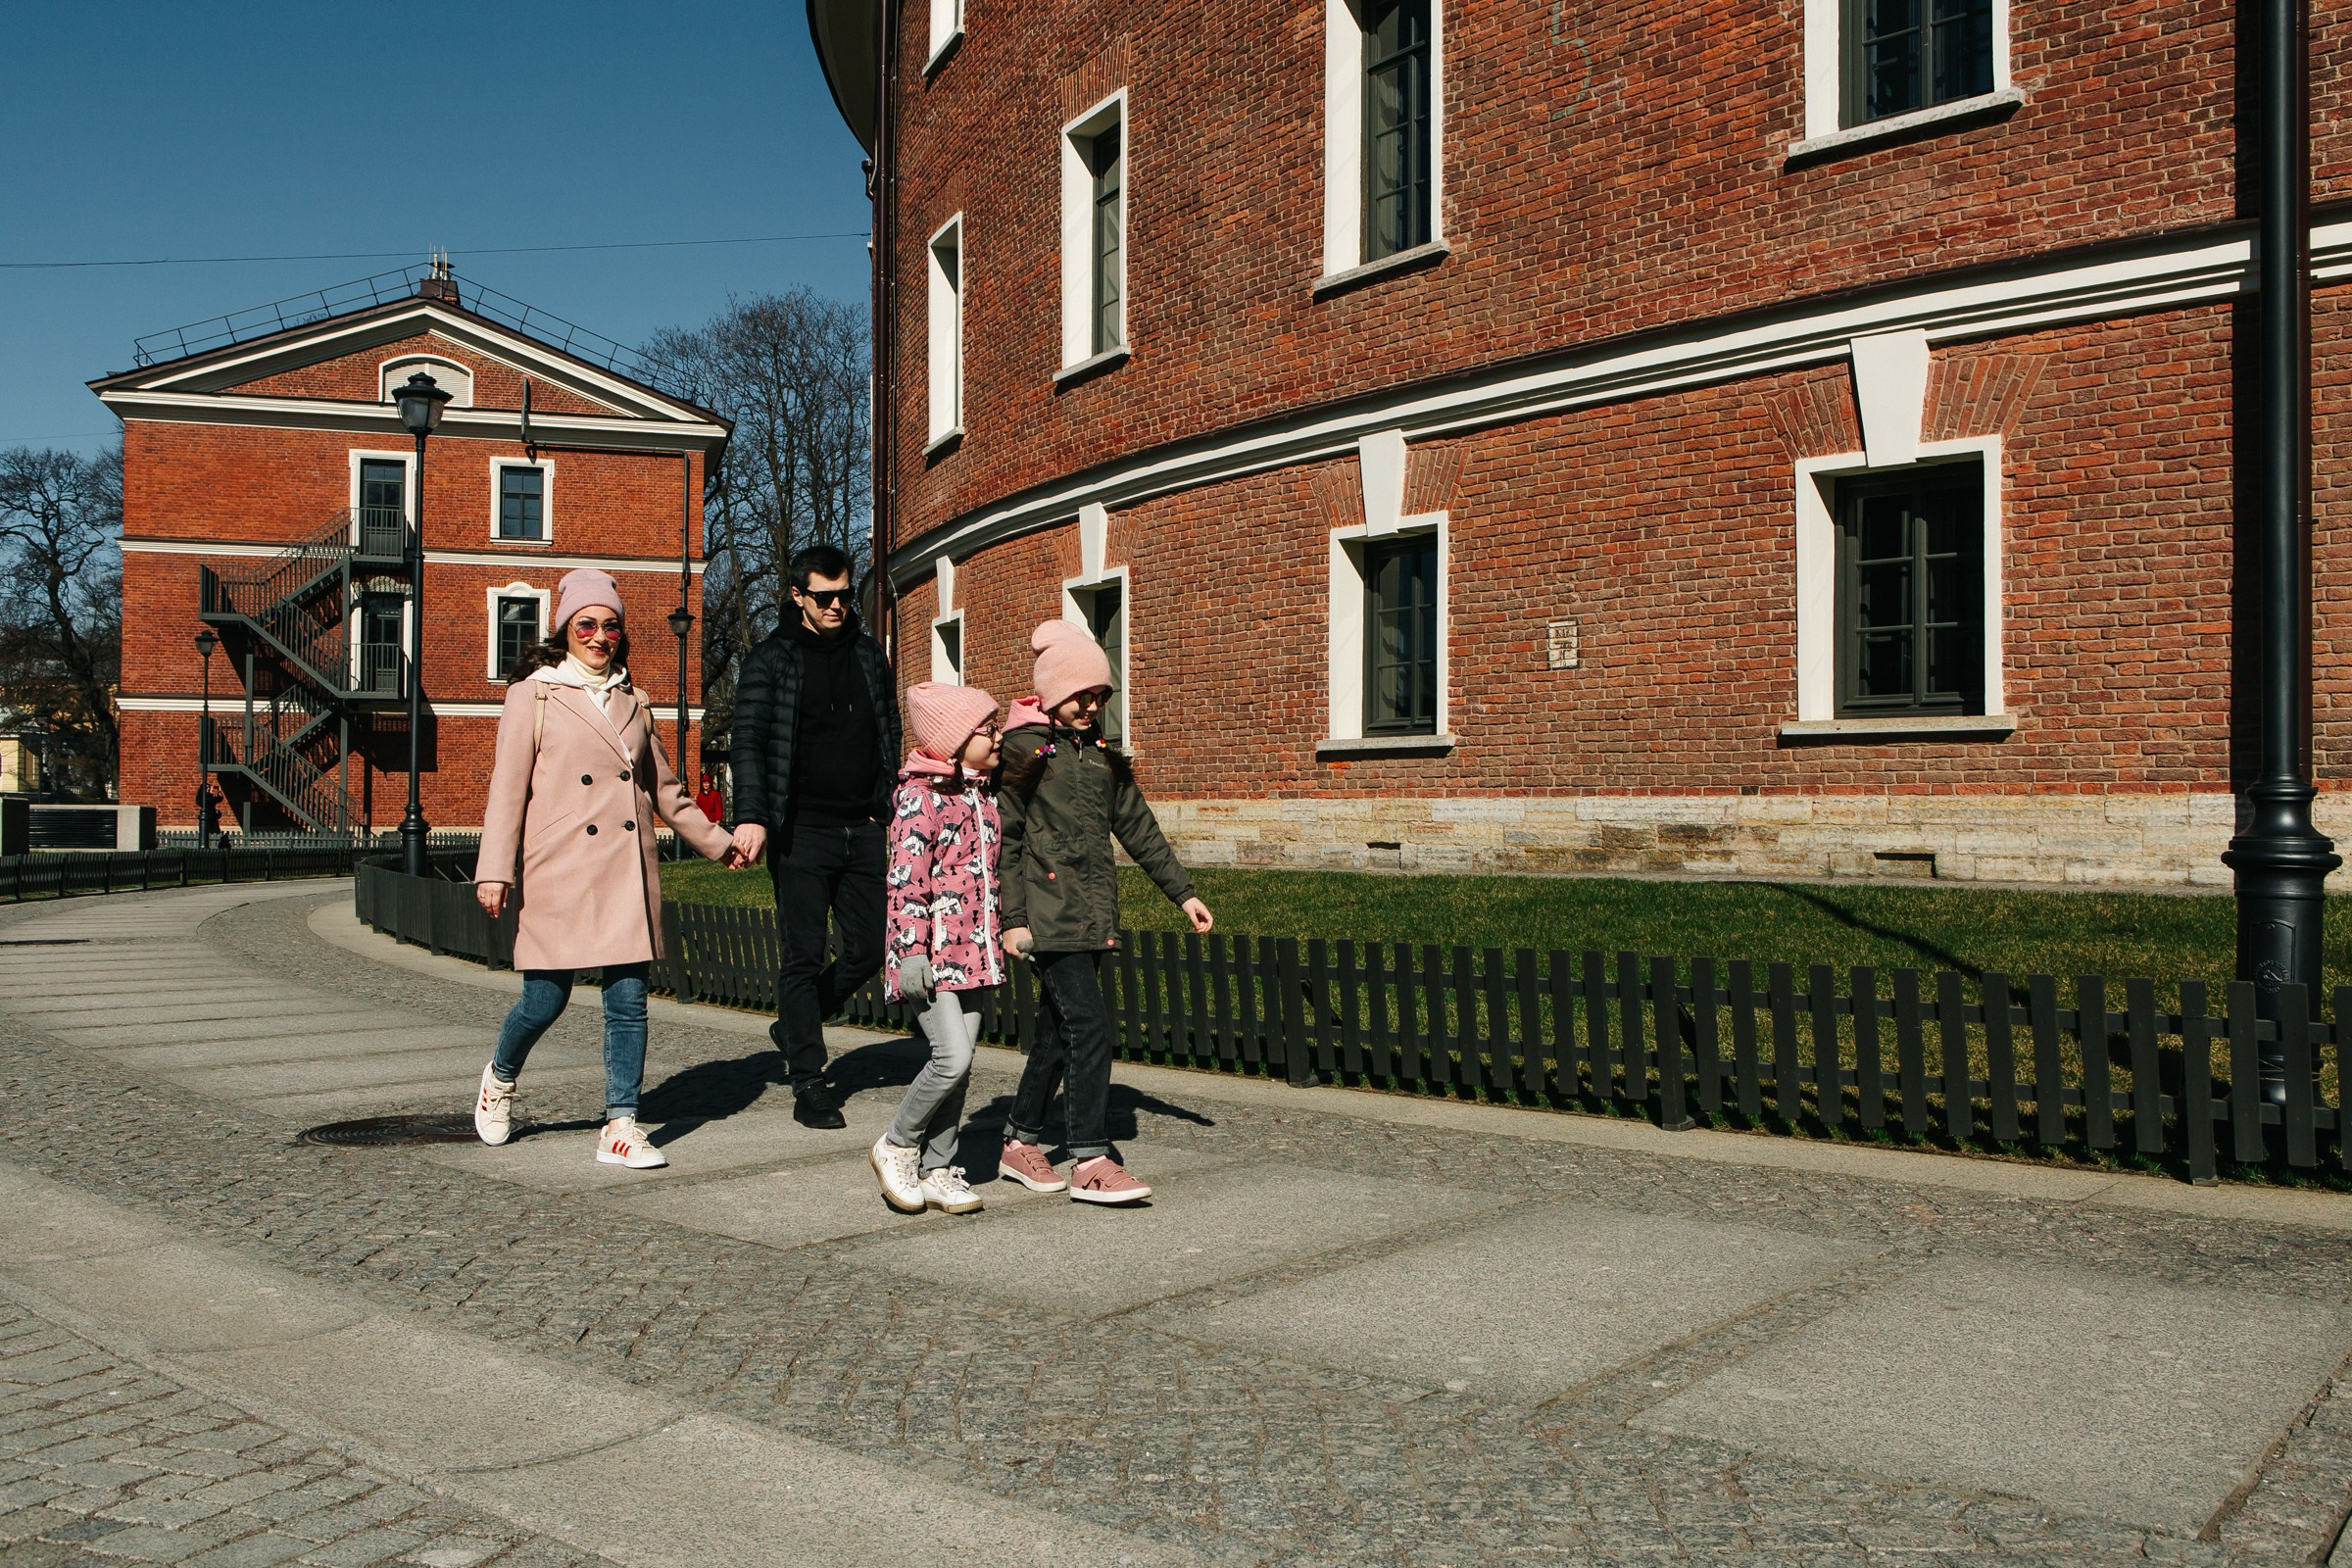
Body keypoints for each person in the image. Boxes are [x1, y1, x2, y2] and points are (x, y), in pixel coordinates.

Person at [470, 567, 742, 1167]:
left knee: (629, 999)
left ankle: (620, 1124)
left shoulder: (635, 702)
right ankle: (500, 1077)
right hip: (557, 868)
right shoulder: (534, 693)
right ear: (565, 627)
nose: (598, 636)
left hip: (624, 865)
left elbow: (665, 792)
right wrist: (495, 869)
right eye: (586, 624)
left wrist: (718, 843)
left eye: (610, 626)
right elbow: (507, 789)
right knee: (544, 1000)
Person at [997, 620, 1213, 1204]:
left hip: (1091, 914)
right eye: (1081, 695)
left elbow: (1139, 828)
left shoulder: (1100, 760)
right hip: (1046, 916)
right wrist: (1012, 919)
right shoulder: (1024, 750)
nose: (1092, 706)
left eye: (1100, 696)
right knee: (1090, 1026)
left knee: (1057, 1032)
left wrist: (1183, 893)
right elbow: (1006, 841)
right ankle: (1090, 1157)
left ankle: (1018, 1141)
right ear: (1051, 694)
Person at [726, 546, 902, 1129]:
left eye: (845, 595)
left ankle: (796, 1023)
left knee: (871, 948)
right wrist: (751, 815)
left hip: (864, 827)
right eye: (823, 596)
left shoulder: (868, 654)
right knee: (801, 955)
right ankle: (809, 1078)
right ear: (797, 596)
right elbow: (748, 741)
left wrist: (887, 802)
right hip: (800, 831)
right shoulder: (770, 659)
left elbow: (888, 727)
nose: (836, 606)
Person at [871, 682, 1005, 1216]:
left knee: (963, 1063)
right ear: (953, 741)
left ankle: (938, 1166)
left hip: (975, 951)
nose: (996, 738)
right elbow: (907, 881)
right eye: (986, 730)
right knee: (950, 1058)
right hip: (926, 957)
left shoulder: (981, 795)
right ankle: (897, 1144)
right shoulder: (919, 797)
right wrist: (910, 952)